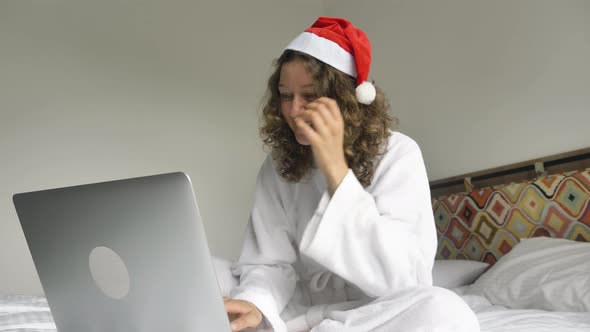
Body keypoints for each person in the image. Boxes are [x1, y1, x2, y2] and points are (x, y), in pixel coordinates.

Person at [220, 17, 480, 332]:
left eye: (310, 95)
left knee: (447, 311)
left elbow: (406, 279)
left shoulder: (398, 153)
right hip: (300, 311)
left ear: (345, 99)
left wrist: (336, 171)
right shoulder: (278, 166)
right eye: (286, 95)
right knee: (209, 273)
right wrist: (256, 303)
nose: (294, 109)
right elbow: (269, 263)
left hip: (371, 314)